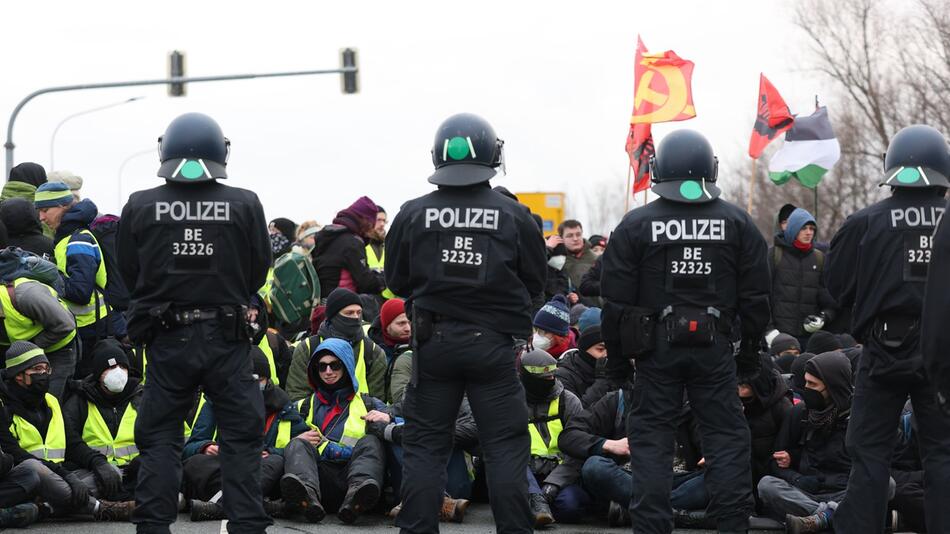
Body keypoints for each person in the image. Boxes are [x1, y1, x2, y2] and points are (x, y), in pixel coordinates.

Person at [600, 129, 771, 534]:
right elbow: (758, 299)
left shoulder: (637, 224)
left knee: (652, 443)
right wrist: (747, 355)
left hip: (655, 351)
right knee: (727, 439)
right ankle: (732, 526)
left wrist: (620, 366)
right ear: (711, 170)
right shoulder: (737, 222)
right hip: (715, 349)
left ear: (659, 169)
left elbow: (615, 306)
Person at [385, 112, 546, 534]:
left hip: (433, 345)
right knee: (506, 448)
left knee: (424, 449)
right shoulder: (515, 215)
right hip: (492, 347)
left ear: (438, 155)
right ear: (494, 155)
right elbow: (536, 280)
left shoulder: (412, 213)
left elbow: (396, 280)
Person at [116, 112, 272, 533]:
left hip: (168, 339)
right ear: (221, 151)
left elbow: (130, 274)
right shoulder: (244, 203)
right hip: (228, 340)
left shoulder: (141, 205)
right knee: (241, 442)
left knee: (160, 440)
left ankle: (153, 527)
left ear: (164, 150)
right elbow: (258, 271)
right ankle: (246, 528)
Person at [825, 124, 950, 534]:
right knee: (942, 454)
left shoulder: (865, 222)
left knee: (868, 452)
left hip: (882, 349)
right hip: (943, 351)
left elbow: (836, 286)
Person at [0, 341, 133, 520]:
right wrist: (67, 476)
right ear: (18, 376)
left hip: (58, 480)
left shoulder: (52, 402)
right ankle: (100, 508)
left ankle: (46, 509)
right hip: (26, 480)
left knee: (111, 472)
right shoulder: (3, 406)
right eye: (37, 369)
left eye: (47, 369)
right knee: (34, 468)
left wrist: (98, 462)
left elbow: (73, 444)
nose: (44, 374)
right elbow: (16, 454)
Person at [182, 348, 308, 521]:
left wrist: (271, 452)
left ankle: (224, 505)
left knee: (277, 462)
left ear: (267, 380)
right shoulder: (214, 403)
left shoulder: (283, 405)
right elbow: (189, 448)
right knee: (195, 463)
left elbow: (301, 450)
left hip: (262, 469)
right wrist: (205, 447)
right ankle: (257, 504)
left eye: (258, 380)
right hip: (225, 467)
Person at [280, 339, 388, 523]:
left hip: (355, 480)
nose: (328, 372)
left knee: (372, 441)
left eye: (335, 365)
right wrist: (296, 439)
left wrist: (389, 418)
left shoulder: (370, 404)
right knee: (298, 442)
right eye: (322, 367)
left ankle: (356, 500)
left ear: (346, 366)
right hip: (316, 480)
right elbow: (273, 444)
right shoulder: (301, 407)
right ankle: (306, 499)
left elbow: (402, 429)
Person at [757, 351, 855, 533]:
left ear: (832, 386)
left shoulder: (858, 417)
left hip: (847, 493)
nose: (806, 389)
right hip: (806, 494)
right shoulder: (800, 413)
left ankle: (822, 518)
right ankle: (828, 517)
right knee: (767, 485)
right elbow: (775, 462)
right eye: (806, 382)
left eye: (813, 384)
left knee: (886, 484)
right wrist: (797, 478)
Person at [34, 181, 112, 375]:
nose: (41, 217)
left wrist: (47, 273)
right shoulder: (67, 236)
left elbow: (80, 292)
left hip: (90, 330)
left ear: (62, 205)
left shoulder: (78, 239)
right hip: (83, 327)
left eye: (45, 210)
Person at [62, 339, 141, 503]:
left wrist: (145, 459)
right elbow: (70, 441)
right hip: (93, 471)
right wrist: (96, 463)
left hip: (136, 472)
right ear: (98, 375)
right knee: (75, 489)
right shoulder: (79, 401)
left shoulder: (142, 397)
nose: (118, 372)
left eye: (123, 367)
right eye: (111, 368)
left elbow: (159, 436)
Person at [518, 349, 588, 526]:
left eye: (552, 375)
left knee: (569, 508)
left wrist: (553, 485)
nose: (550, 380)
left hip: (560, 472)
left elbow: (579, 448)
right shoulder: (512, 401)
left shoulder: (568, 401)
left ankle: (537, 504)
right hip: (523, 472)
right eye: (544, 377)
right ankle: (535, 500)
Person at [285, 287, 387, 402]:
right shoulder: (308, 348)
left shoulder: (372, 351)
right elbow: (297, 394)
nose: (355, 317)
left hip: (359, 418)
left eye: (359, 313)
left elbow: (378, 400)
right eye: (349, 313)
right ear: (334, 316)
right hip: (315, 419)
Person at [0, 255, 78, 398]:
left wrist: (33, 347)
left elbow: (66, 324)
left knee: (49, 399)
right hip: (23, 351)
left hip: (58, 348)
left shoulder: (28, 295)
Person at [765, 208, 837, 347]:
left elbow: (830, 301)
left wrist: (823, 317)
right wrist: (769, 331)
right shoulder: (774, 255)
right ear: (793, 229)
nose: (809, 232)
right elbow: (762, 297)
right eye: (803, 228)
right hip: (779, 338)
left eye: (811, 228)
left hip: (808, 339)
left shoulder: (819, 258)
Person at [312, 197, 385, 298]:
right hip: (343, 304)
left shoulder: (327, 236)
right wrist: (385, 278)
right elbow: (366, 283)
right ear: (366, 222)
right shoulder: (352, 242)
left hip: (323, 302)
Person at [554, 321, 611, 408]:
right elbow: (578, 412)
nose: (606, 354)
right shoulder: (565, 375)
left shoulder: (612, 371)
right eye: (600, 349)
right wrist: (601, 381)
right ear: (585, 350)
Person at [532, 295, 576, 360]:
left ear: (558, 336)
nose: (537, 336)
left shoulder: (570, 359)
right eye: (536, 330)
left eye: (545, 332)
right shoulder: (528, 351)